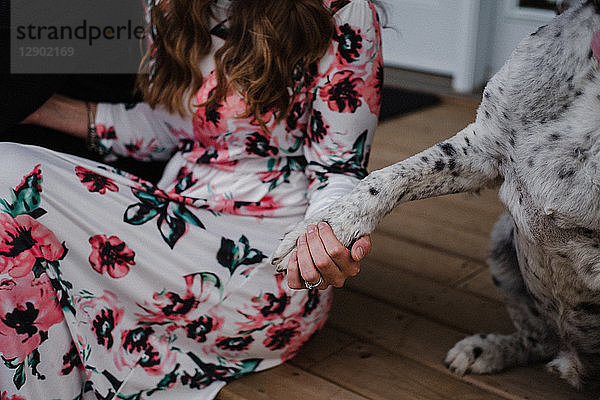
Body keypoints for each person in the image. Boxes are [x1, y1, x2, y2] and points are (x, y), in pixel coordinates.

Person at [0, 0, 383, 398]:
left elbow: (339, 167)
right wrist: (41, 110)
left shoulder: (340, 8)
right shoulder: (171, 5)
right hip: (171, 227)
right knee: (25, 280)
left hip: (270, 264)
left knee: (8, 172)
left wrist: (324, 234)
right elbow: (176, 126)